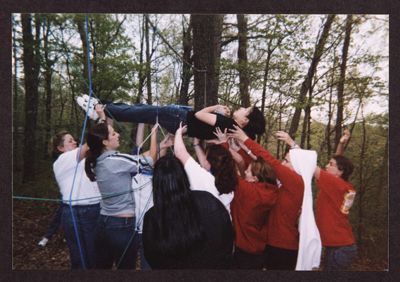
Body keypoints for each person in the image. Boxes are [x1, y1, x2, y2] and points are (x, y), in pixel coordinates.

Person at [85, 108, 158, 269]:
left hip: (103, 223)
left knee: (101, 268)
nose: (117, 134)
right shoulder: (115, 159)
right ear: (104, 142)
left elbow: (136, 158)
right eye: (113, 134)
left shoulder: (97, 160)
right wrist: (154, 134)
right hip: (122, 226)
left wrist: (103, 117)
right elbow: (151, 160)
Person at [277, 129, 357, 271]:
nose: (326, 166)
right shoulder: (344, 186)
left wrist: (292, 143)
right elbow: (338, 163)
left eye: (330, 164)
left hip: (339, 249)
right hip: (341, 245)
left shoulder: (337, 186)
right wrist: (340, 144)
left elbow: (309, 165)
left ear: (340, 171)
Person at [228, 125, 304, 270]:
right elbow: (259, 163)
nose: (282, 163)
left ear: (298, 166)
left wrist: (245, 138)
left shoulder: (296, 182)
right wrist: (238, 148)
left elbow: (270, 161)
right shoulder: (285, 183)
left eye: (287, 161)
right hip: (272, 244)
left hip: (283, 247)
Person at [142, 154, 234, 268]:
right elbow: (227, 238)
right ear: (183, 176)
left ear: (156, 184)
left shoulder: (152, 218)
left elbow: (153, 258)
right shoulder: (209, 201)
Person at [76, 94, 266, 140]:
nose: (241, 108)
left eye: (245, 110)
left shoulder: (227, 123)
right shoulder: (232, 131)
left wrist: (215, 107)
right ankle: (107, 106)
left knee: (140, 112)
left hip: (179, 117)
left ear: (245, 120)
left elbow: (200, 115)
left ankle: (100, 108)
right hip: (182, 118)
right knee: (142, 108)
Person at [51, 131, 101, 269]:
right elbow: (93, 141)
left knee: (95, 254)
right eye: (70, 141)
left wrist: (104, 118)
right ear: (60, 148)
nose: (75, 142)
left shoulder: (84, 160)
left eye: (74, 140)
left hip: (94, 210)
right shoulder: (63, 160)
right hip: (76, 212)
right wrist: (100, 118)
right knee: (79, 257)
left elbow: (101, 142)